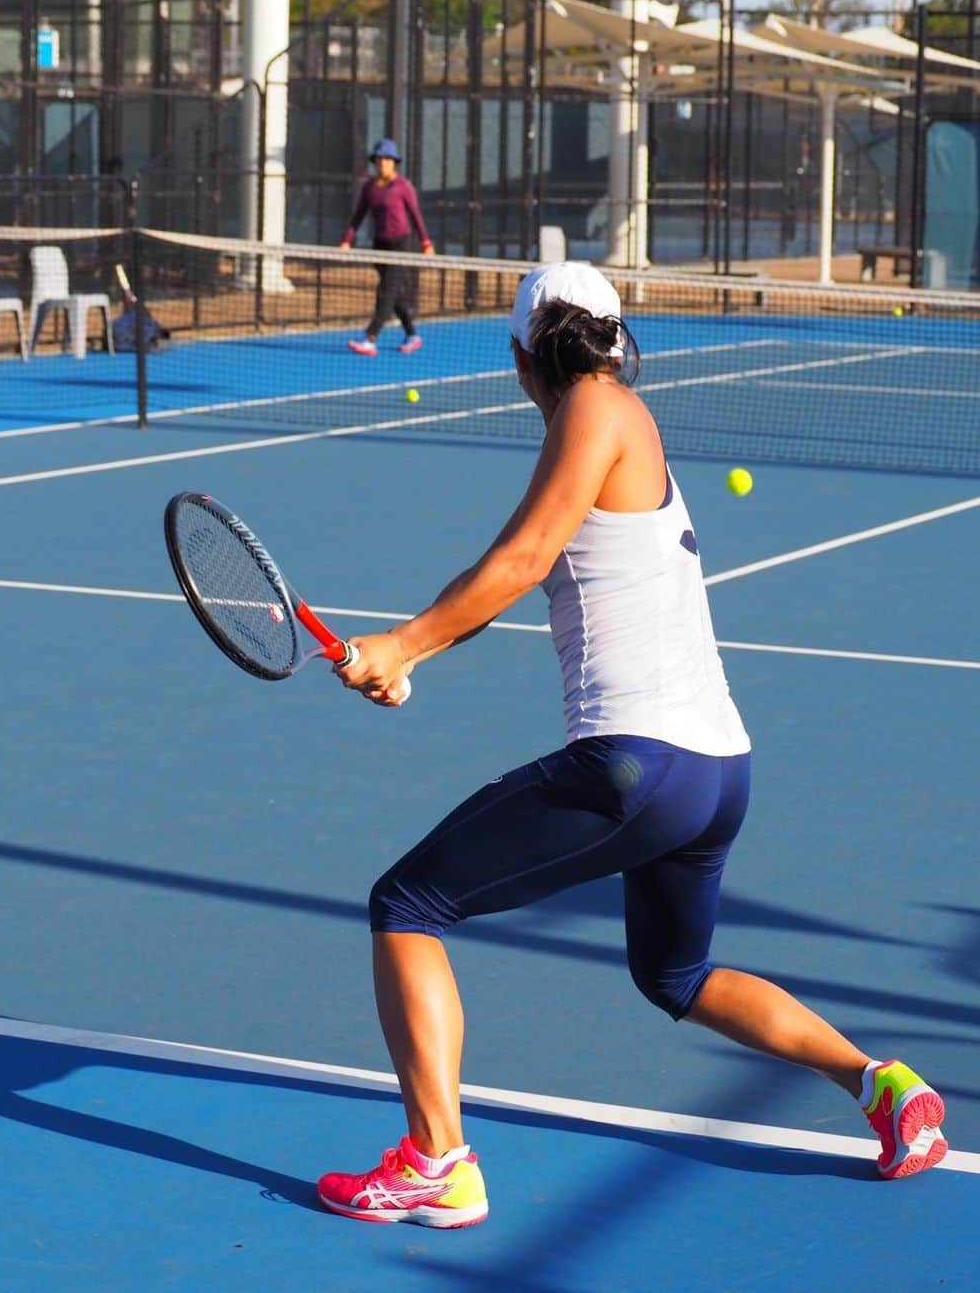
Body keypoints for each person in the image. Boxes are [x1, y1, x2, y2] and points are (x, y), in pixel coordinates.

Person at [316, 261, 949, 1227]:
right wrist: (416, 658)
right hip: (716, 771)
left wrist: (403, 641)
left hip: (635, 766)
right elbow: (525, 563)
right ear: (617, 338)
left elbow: (523, 561)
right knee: (676, 977)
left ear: (525, 356)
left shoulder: (593, 411)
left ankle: (437, 1160)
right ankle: (884, 1087)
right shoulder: (622, 423)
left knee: (407, 904)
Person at [339, 138, 433, 356]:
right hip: (380, 246)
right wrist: (346, 240)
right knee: (393, 293)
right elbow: (357, 217)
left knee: (386, 292)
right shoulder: (369, 188)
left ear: (394, 162)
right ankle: (412, 333)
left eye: (387, 159)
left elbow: (416, 216)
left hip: (401, 245)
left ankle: (371, 338)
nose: (383, 163)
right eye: (379, 160)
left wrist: (426, 242)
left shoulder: (404, 187)